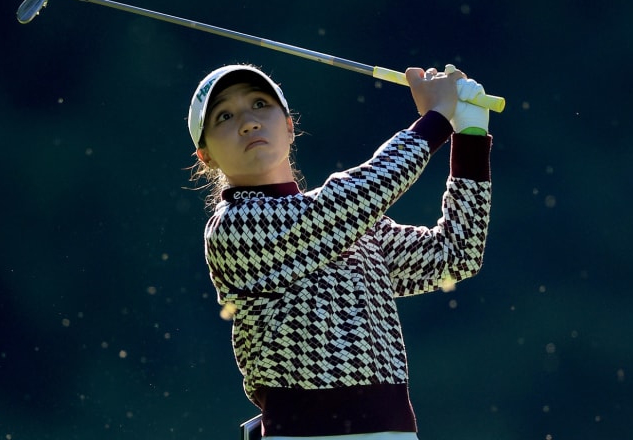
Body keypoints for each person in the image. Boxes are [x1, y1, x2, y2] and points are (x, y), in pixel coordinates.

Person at [187, 63, 492, 439]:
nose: (248, 122)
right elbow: (354, 198)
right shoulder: (234, 228)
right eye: (225, 116)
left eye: (260, 104)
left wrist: (471, 133)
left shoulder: (348, 224)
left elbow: (455, 254)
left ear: (289, 125)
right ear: (206, 156)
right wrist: (436, 117)